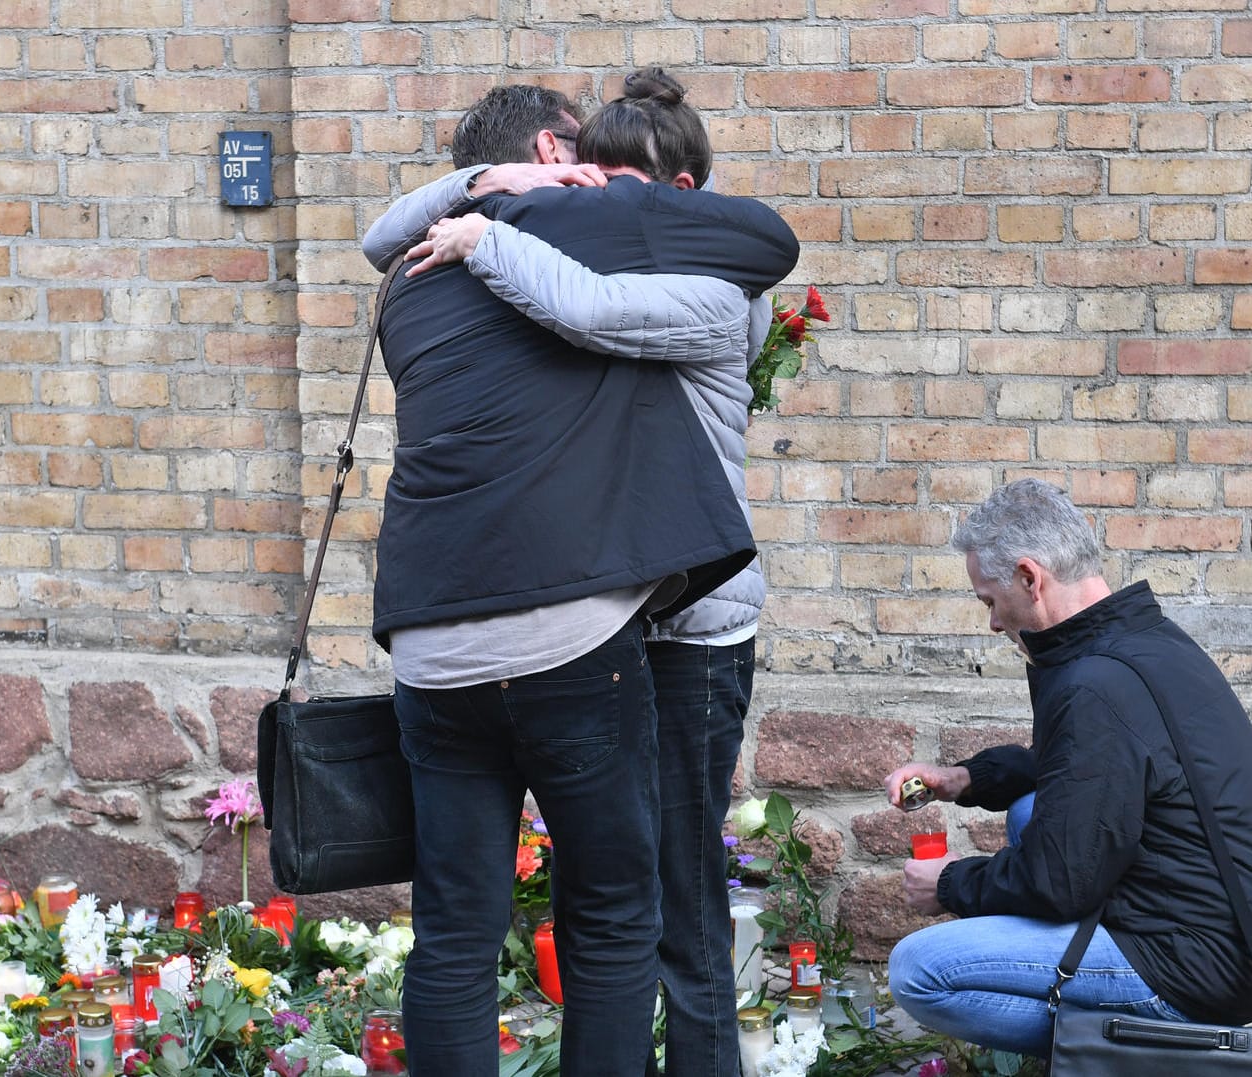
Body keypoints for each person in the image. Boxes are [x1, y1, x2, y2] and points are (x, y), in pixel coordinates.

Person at [368, 74, 798, 1076]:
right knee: (613, 921)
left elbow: (393, 241)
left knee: (459, 931)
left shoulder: (413, 282)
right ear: (559, 162)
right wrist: (510, 215)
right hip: (576, 629)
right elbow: (750, 245)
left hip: (442, 639)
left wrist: (480, 220)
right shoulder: (583, 235)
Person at [882, 477, 1252, 1057]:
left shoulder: (1095, 686)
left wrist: (951, 883)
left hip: (1195, 966)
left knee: (918, 970)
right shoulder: (1142, 641)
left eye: (989, 600)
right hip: (1219, 926)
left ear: (1030, 578)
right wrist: (965, 779)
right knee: (1031, 809)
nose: (993, 624)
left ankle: (1128, 1051)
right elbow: (1080, 771)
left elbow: (1059, 881)